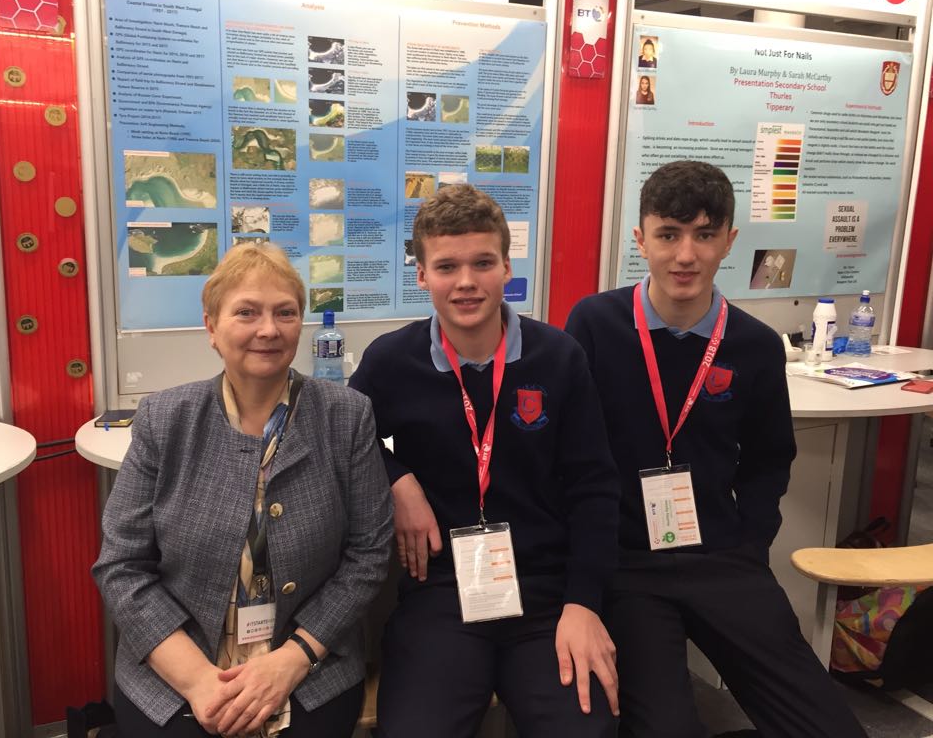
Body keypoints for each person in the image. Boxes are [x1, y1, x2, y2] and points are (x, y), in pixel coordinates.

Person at [564, 161, 867, 738]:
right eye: (669, 234)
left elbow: (768, 458)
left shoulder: (752, 344)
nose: (686, 255)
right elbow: (570, 456)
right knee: (665, 726)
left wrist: (749, 546)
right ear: (640, 239)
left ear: (728, 240)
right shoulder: (595, 324)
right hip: (627, 561)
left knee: (827, 726)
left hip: (723, 557)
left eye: (704, 235)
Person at [349, 184, 621, 738]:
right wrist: (397, 480)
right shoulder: (391, 361)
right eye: (446, 266)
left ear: (506, 267)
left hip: (547, 594)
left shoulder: (559, 357)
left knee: (585, 731)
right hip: (443, 591)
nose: (467, 282)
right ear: (421, 274)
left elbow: (595, 487)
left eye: (483, 263)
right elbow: (344, 442)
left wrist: (584, 605)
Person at [93, 242, 393, 738]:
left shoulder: (346, 416)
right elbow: (121, 566)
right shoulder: (166, 419)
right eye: (246, 312)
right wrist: (198, 681)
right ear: (212, 328)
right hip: (177, 669)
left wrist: (291, 662)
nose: (268, 329)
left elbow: (368, 556)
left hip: (307, 666)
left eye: (285, 313)